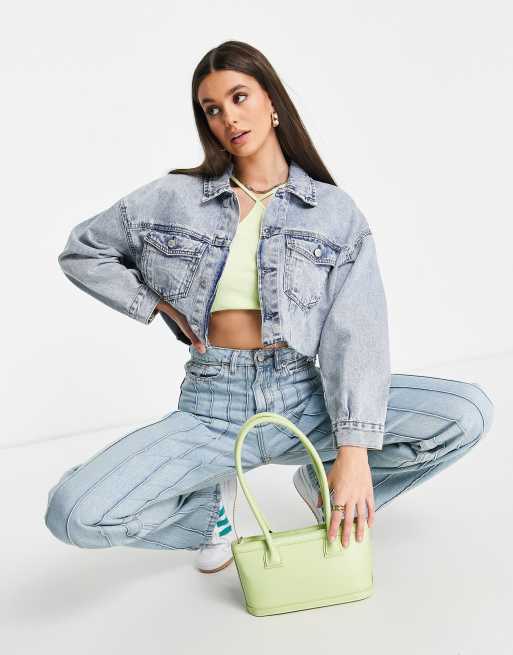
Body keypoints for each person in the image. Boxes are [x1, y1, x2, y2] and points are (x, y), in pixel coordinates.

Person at [45, 40, 495, 575]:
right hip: (211, 405)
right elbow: (83, 251)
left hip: (304, 396)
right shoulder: (174, 196)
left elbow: (357, 333)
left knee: (467, 413)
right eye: (212, 109)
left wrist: (354, 453)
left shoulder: (333, 212)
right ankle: (211, 520)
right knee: (72, 513)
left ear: (272, 102)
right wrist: (156, 303)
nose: (229, 118)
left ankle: (324, 486)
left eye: (239, 97)